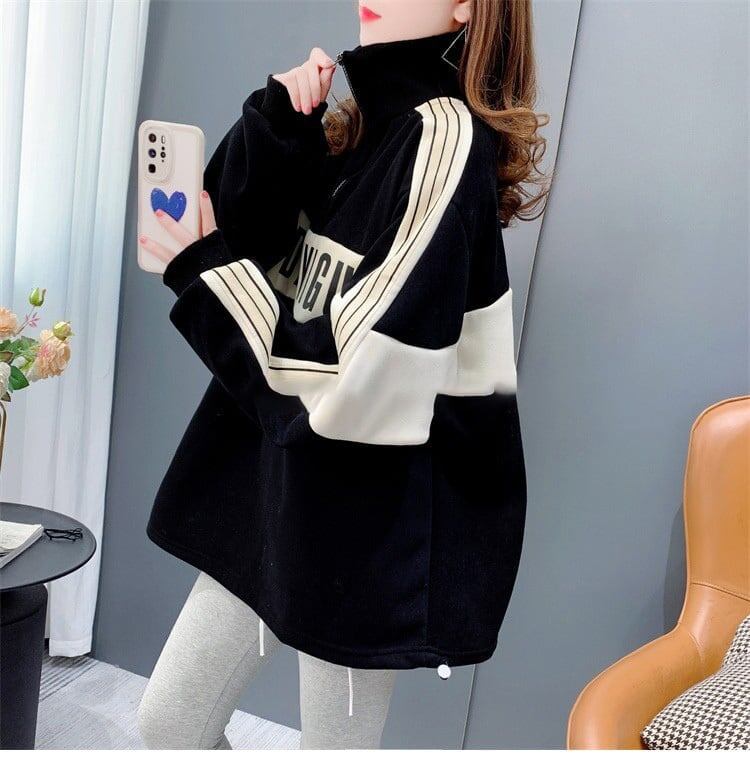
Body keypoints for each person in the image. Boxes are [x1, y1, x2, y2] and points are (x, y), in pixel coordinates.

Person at [137, 0, 549, 750]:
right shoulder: (363, 125)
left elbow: (353, 370)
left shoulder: (444, 141)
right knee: (169, 724)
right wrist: (278, 128)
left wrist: (200, 270)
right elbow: (245, 245)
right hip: (276, 484)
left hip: (363, 524)